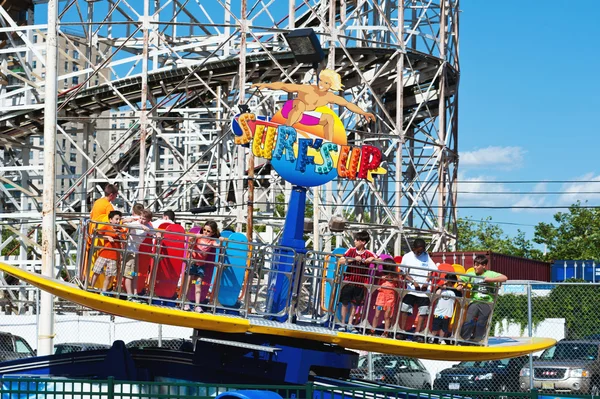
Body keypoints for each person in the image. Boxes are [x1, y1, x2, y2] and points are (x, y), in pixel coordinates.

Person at [252, 69, 375, 141]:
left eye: (326, 83)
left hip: (304, 116)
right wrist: (266, 85)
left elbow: (347, 104)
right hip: (291, 109)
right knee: (300, 105)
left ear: (330, 86)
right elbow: (285, 86)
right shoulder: (308, 89)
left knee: (329, 118)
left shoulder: (329, 97)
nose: (321, 84)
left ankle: (327, 144)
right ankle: (284, 132)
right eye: (321, 80)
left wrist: (363, 113)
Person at [457, 255, 507, 343]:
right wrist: (460, 284)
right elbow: (460, 278)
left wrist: (490, 280)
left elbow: (504, 278)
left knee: (481, 322)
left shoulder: (490, 273)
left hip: (487, 302)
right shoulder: (472, 274)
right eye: (474, 265)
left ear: (484, 266)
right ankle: (464, 340)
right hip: (475, 301)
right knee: (469, 320)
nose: (475, 267)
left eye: (477, 265)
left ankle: (477, 340)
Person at [398, 238, 437, 341]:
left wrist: (426, 282)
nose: (419, 253)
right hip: (411, 289)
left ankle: (417, 333)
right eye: (418, 251)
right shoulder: (407, 257)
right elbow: (402, 272)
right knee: (405, 308)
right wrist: (413, 282)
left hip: (424, 291)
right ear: (413, 248)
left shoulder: (426, 256)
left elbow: (431, 271)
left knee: (423, 311)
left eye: (421, 251)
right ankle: (402, 331)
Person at [337, 230, 376, 332]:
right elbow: (341, 260)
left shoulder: (368, 253)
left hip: (360, 283)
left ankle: (350, 323)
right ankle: (342, 323)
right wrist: (353, 259)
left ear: (363, 242)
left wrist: (372, 259)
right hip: (349, 281)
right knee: (345, 303)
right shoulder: (351, 250)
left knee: (355, 304)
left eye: (357, 240)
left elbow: (380, 260)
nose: (355, 241)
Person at [185, 221, 221, 312]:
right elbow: (190, 242)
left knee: (198, 285)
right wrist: (195, 237)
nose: (205, 232)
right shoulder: (198, 238)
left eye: (208, 231)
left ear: (212, 233)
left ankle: (197, 305)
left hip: (200, 266)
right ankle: (185, 302)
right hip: (192, 264)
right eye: (204, 230)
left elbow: (218, 245)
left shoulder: (211, 241)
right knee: (188, 283)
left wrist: (220, 239)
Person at [89, 211, 125, 292]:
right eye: (116, 219)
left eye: (119, 219)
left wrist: (120, 235)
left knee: (109, 275)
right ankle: (91, 287)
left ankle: (104, 291)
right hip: (104, 253)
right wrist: (107, 237)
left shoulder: (121, 230)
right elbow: (96, 233)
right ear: (110, 220)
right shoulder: (106, 227)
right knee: (96, 271)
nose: (118, 221)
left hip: (114, 256)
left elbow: (125, 239)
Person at [122, 207, 153, 297]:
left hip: (136, 252)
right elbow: (128, 225)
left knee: (134, 274)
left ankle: (135, 293)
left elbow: (153, 232)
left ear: (148, 220)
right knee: (129, 273)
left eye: (144, 219)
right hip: (129, 251)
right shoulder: (136, 223)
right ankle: (129, 294)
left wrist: (157, 233)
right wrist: (140, 225)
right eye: (141, 218)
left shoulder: (148, 226)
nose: (141, 220)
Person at [371, 260, 400, 338]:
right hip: (381, 297)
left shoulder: (396, 276)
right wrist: (382, 278)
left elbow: (399, 284)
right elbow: (377, 282)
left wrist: (394, 279)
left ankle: (386, 332)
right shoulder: (381, 274)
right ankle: (372, 330)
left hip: (390, 298)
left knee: (387, 316)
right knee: (377, 314)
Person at [431, 274, 462, 344]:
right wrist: (441, 287)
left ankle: (441, 339)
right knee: (436, 326)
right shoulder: (441, 288)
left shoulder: (455, 291)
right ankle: (432, 337)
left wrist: (459, 284)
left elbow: (460, 296)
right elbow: (436, 294)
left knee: (444, 328)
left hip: (447, 313)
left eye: (446, 280)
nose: (445, 281)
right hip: (438, 312)